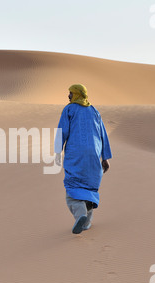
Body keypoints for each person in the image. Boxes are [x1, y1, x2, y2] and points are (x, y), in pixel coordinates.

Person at [54, 84, 112, 234]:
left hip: (76, 154)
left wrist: (56, 151)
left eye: (71, 93)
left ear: (77, 94)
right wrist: (105, 157)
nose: (68, 96)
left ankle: (80, 214)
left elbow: (62, 131)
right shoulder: (94, 111)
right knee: (89, 188)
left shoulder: (69, 109)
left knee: (73, 188)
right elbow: (103, 134)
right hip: (94, 155)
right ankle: (86, 222)